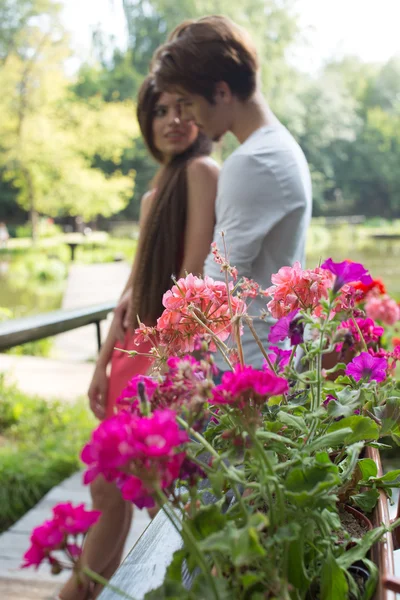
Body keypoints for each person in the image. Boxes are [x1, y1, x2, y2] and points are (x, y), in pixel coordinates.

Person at [58, 75, 219, 600]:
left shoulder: (201, 172)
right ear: (147, 123)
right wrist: (102, 360)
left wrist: (169, 368)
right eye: (159, 111)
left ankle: (81, 592)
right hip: (132, 348)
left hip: (165, 351)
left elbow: (193, 273)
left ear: (201, 113)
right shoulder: (155, 193)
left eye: (182, 107)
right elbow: (130, 288)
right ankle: (87, 591)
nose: (172, 120)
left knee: (126, 484)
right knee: (114, 488)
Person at [153, 15, 312, 370]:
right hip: (272, 357)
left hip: (244, 368)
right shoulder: (280, 148)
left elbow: (214, 285)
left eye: (189, 103)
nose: (189, 119)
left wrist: (167, 362)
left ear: (222, 92)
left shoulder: (254, 160)